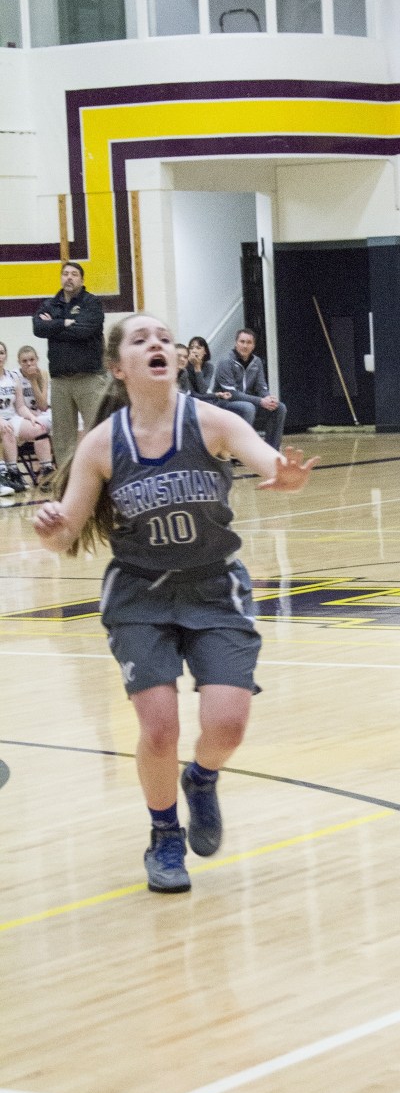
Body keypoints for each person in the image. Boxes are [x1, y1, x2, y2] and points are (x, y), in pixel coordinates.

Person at [33, 314, 318, 894]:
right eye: (140, 341)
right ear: (120, 367)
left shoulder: (211, 420)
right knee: (158, 729)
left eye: (163, 338)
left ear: (178, 358)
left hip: (215, 588)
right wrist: (50, 530)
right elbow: (67, 533)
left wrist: (283, 476)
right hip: (141, 593)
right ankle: (164, 836)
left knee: (227, 726)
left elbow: (266, 460)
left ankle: (203, 778)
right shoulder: (102, 444)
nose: (157, 345)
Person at [32, 261, 108, 466]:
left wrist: (53, 327)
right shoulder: (51, 303)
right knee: (63, 437)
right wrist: (65, 323)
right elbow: (38, 328)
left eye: (74, 274)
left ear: (82, 280)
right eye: (65, 273)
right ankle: (66, 482)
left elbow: (85, 331)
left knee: (97, 430)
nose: (69, 277)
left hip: (89, 378)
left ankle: (103, 479)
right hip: (60, 381)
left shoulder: (91, 303)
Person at [213, 328, 287, 448]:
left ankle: (271, 450)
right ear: (236, 343)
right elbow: (231, 393)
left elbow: (261, 387)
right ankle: (243, 450)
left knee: (279, 407)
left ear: (253, 346)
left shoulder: (257, 362)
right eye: (242, 342)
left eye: (249, 342)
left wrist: (268, 398)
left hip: (249, 403)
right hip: (223, 403)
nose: (245, 345)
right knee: (248, 408)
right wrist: (260, 401)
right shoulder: (225, 362)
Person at [0, 341, 49, 494]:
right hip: (1, 420)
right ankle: (12, 473)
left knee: (39, 429)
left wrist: (31, 417)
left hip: (11, 417)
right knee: (7, 430)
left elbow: (20, 406)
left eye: (1, 352)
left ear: (6, 355)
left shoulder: (12, 376)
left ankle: (47, 471)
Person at [16, 345, 55, 478]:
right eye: (24, 361)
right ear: (19, 363)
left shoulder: (43, 374)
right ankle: (46, 468)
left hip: (42, 414)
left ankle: (56, 468)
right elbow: (18, 406)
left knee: (61, 422)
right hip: (25, 417)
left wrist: (33, 381)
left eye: (32, 360)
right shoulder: (15, 376)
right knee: (39, 426)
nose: (29, 363)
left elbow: (43, 406)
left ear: (37, 359)